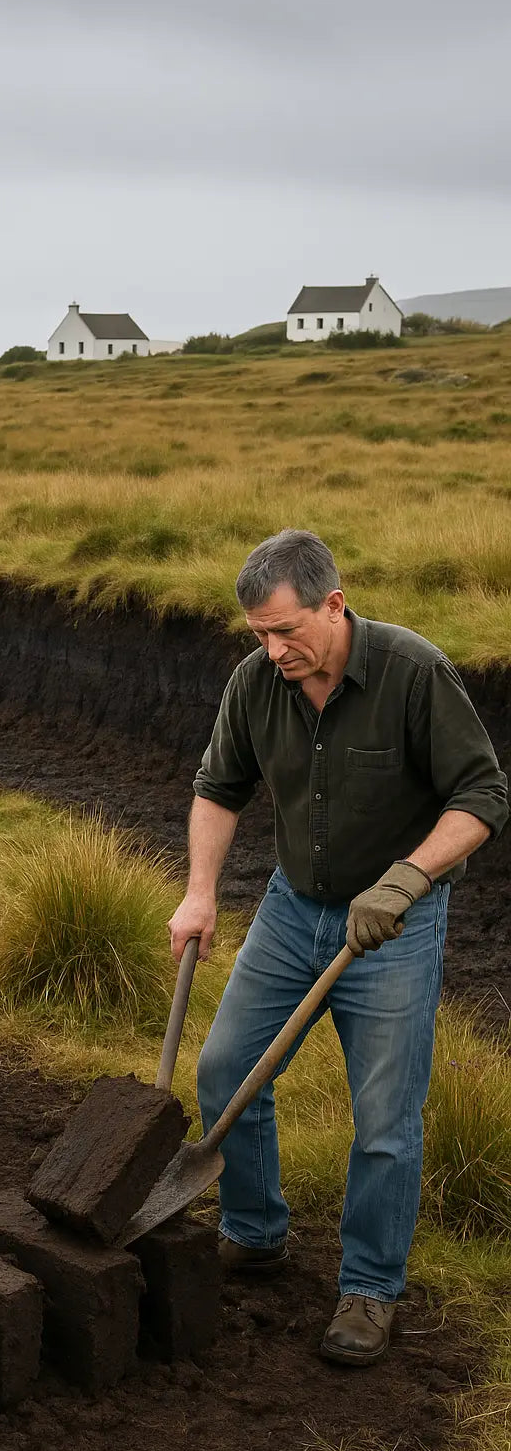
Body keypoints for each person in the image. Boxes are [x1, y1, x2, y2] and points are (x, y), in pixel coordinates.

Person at [168, 529, 507, 1366]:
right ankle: (254, 1231)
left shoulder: (414, 673)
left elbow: (484, 794)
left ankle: (370, 1288)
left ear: (334, 603)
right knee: (224, 1073)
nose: (274, 650)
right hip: (293, 913)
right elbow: (218, 788)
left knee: (384, 1121)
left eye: (288, 631)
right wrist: (200, 893)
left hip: (395, 926)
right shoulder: (255, 685)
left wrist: (406, 880)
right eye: (259, 635)